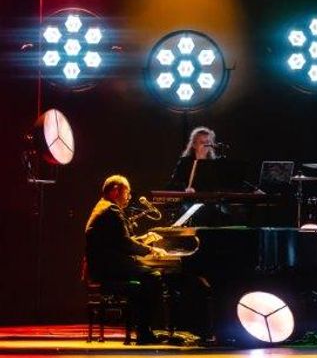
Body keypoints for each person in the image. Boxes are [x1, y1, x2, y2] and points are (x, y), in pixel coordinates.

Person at [84, 175, 168, 344]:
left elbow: (117, 241)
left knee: (148, 277)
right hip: (109, 269)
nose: (129, 198)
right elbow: (124, 243)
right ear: (115, 191)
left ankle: (144, 329)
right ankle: (144, 332)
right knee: (154, 277)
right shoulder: (111, 210)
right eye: (127, 193)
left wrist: (144, 238)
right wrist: (151, 249)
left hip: (103, 267)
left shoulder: (103, 208)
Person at [167, 127, 218, 191]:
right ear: (194, 145)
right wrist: (185, 189)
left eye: (207, 142)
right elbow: (173, 184)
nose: (206, 145)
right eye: (202, 142)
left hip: (209, 199)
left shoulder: (214, 164)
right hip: (189, 199)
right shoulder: (185, 162)